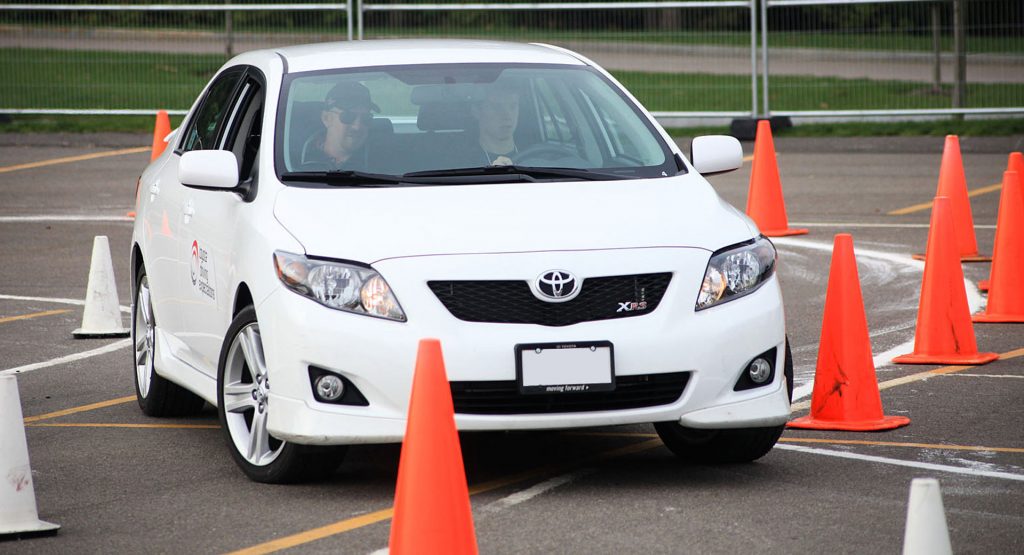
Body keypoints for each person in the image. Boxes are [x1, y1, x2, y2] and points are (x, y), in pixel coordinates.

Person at [301, 82, 378, 170]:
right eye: (348, 117)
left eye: (366, 118)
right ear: (326, 118)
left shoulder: (381, 162)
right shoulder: (291, 158)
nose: (357, 126)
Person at [471, 85, 520, 166]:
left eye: (513, 106)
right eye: (497, 107)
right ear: (476, 111)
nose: (507, 115)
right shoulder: (461, 161)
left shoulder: (538, 152)